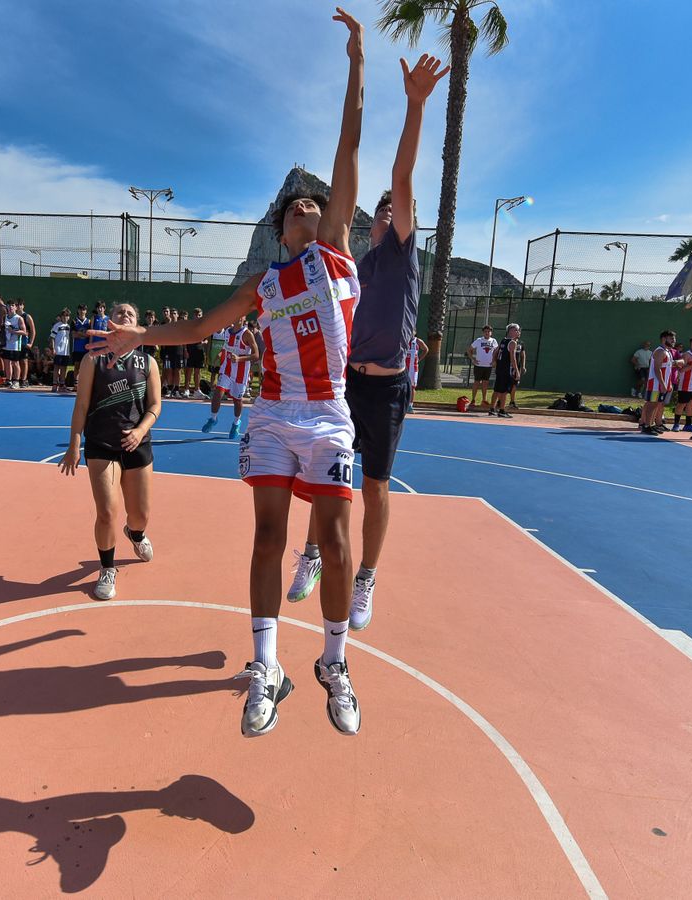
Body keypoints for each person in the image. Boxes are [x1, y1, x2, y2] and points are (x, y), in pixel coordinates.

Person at [91, 7, 367, 739]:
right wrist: (139, 335)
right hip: (273, 416)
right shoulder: (262, 286)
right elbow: (196, 329)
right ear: (281, 229)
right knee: (267, 539)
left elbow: (348, 143)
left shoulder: (335, 252)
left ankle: (333, 662)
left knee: (337, 543)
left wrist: (356, 64)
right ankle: (266, 667)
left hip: (329, 413)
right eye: (295, 207)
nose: (306, 205)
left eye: (314, 203)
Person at [287, 52, 446, 632]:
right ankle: (311, 554)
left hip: (387, 389)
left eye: (393, 211)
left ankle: (366, 579)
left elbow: (402, 177)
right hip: (344, 383)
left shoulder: (403, 256)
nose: (385, 216)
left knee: (375, 488)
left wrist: (415, 105)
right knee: (327, 476)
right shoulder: (355, 265)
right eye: (378, 213)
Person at [61, 302, 160, 600]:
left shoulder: (147, 362)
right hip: (101, 444)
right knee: (106, 512)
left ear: (137, 324)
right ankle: (107, 568)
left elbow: (155, 406)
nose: (124, 315)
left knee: (140, 515)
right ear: (109, 321)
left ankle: (136, 533)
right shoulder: (93, 359)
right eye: (119, 313)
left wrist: (140, 431)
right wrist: (74, 443)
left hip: (137, 444)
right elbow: (81, 405)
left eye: (130, 313)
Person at [203, 318, 258, 438]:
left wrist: (239, 359)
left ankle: (236, 422)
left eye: (240, 316)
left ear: (244, 318)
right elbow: (226, 347)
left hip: (241, 373)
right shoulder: (227, 331)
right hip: (226, 369)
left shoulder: (247, 334)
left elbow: (256, 355)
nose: (238, 317)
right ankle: (213, 418)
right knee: (218, 393)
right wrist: (220, 354)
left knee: (237, 400)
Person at [639, 330, 675, 434]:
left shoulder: (667, 352)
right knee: (652, 404)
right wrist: (663, 384)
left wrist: (668, 383)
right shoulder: (660, 351)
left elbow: (667, 369)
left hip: (661, 384)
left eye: (674, 339)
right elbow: (657, 369)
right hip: (655, 384)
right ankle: (646, 425)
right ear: (664, 339)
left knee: (656, 404)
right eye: (671, 339)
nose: (673, 341)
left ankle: (650, 424)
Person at [490, 323, 524, 418]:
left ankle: (492, 409)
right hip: (506, 370)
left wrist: (494, 361)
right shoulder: (512, 343)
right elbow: (513, 358)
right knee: (504, 391)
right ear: (511, 331)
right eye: (516, 330)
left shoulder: (503, 340)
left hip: (500, 369)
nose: (518, 332)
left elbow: (495, 351)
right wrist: (517, 371)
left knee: (497, 390)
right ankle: (502, 410)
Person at [671, 336, 692, 432]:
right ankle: (676, 424)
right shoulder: (686, 355)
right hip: (686, 383)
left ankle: (688, 424)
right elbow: (681, 369)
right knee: (681, 404)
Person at [468, 325, 497, 411]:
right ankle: (473, 400)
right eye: (485, 332)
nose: (487, 333)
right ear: (483, 333)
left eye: (488, 331)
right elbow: (469, 350)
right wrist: (473, 359)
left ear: (491, 333)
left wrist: (495, 361)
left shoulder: (494, 341)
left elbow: (497, 352)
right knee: (477, 382)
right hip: (479, 366)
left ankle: (484, 400)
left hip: (488, 366)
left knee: (485, 383)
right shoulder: (479, 340)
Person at [2, 300, 28, 388]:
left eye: (12, 305)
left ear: (16, 307)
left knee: (15, 363)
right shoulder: (5, 317)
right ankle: (8, 381)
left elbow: (24, 332)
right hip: (6, 343)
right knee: (7, 362)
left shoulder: (19, 318)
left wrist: (13, 331)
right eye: (9, 305)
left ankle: (16, 381)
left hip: (15, 344)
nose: (10, 307)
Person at [184, 308, 208, 398]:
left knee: (197, 371)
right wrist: (186, 350)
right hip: (190, 350)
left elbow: (206, 339)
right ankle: (186, 389)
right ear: (193, 316)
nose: (198, 317)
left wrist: (204, 342)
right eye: (196, 315)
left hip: (199, 351)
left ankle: (197, 390)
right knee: (189, 371)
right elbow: (185, 339)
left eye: (199, 315)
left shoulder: (204, 326)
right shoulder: (189, 326)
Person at [49, 309, 73, 393]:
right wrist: (53, 349)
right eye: (64, 316)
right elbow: (52, 338)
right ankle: (54, 385)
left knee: (64, 368)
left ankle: (62, 386)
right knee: (56, 367)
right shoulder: (57, 326)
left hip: (66, 352)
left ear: (69, 317)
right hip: (58, 351)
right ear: (61, 317)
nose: (65, 317)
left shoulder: (69, 327)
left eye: (67, 316)